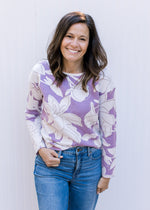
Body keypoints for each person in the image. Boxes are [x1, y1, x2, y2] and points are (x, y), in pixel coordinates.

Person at [25, 11, 116, 210]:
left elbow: (109, 128)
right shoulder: (41, 72)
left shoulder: (101, 79)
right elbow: (31, 114)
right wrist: (40, 147)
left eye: (82, 39)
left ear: (89, 44)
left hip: (90, 166)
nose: (74, 44)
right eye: (69, 36)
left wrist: (107, 173)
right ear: (60, 38)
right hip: (52, 165)